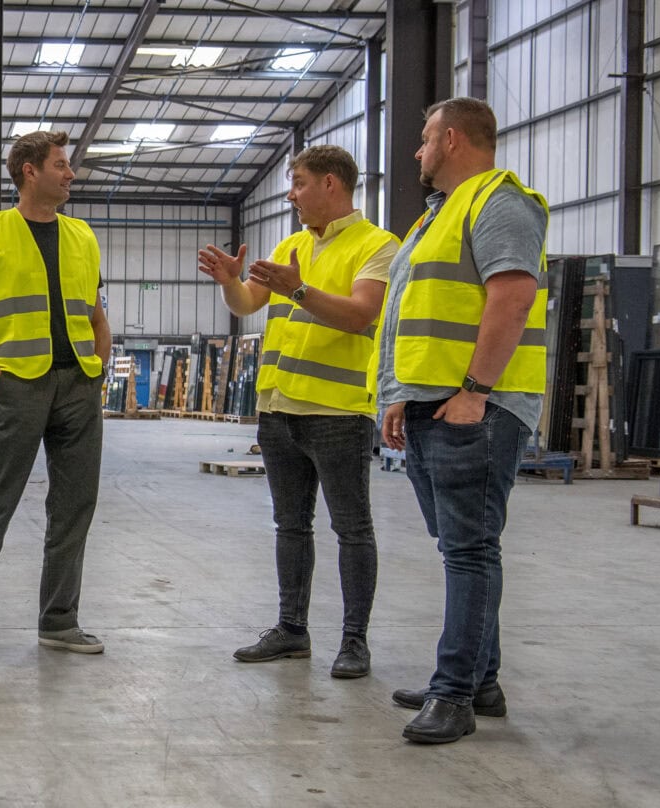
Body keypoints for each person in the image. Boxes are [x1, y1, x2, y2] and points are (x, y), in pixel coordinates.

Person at [378, 97, 548, 744]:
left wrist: (477, 389)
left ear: (451, 140)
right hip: (429, 403)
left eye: (424, 140)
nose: (418, 152)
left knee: (471, 549)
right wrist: (399, 394)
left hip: (474, 408)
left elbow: (513, 295)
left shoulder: (500, 202)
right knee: (461, 546)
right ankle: (480, 680)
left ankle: (455, 693)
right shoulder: (437, 218)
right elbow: (414, 317)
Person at [196, 145, 398, 679]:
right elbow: (247, 306)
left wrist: (300, 289)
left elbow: (360, 316)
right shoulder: (290, 245)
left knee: (352, 528)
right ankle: (291, 630)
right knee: (290, 525)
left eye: (299, 182)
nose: (290, 194)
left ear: (331, 184)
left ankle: (354, 642)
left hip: (337, 412)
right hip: (278, 409)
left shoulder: (377, 246)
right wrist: (230, 283)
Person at [0, 130, 112, 657]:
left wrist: (97, 371)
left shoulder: (82, 236)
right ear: (29, 171)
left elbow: (97, 316)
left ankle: (59, 621)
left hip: (78, 386)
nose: (71, 173)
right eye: (61, 164)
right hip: (20, 387)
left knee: (75, 505)